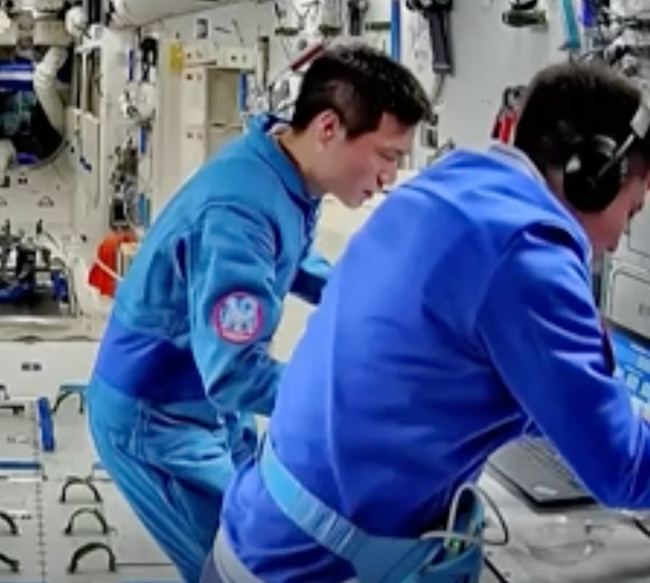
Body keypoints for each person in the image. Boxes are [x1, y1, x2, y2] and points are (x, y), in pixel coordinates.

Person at [204, 62, 650, 583]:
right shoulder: (529, 252)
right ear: (592, 176)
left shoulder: (450, 189)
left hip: (260, 529)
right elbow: (614, 468)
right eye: (631, 209)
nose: (620, 238)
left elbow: (519, 385)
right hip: (311, 566)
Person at [86, 44, 433, 582]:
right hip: (154, 416)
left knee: (260, 537)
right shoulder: (240, 210)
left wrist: (375, 303)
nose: (389, 176)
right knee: (235, 568)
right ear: (327, 128)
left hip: (202, 403)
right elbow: (235, 374)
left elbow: (290, 258)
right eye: (386, 155)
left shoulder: (284, 171)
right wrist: (356, 400)